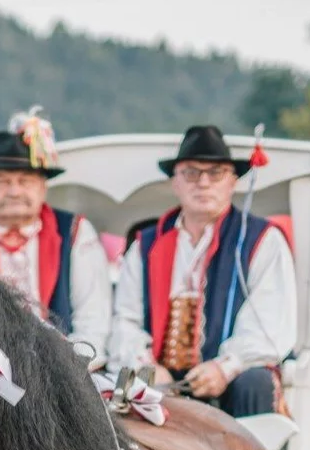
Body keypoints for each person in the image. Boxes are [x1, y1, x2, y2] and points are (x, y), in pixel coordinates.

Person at [109, 124, 297, 416]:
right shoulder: (147, 244)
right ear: (176, 182)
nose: (203, 183)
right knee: (119, 386)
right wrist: (146, 365)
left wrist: (225, 367)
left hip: (229, 376)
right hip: (162, 376)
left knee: (253, 381)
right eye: (192, 173)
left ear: (232, 181)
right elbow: (126, 319)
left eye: (215, 173)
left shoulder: (261, 239)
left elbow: (269, 324)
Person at [0, 108, 111, 354]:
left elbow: (93, 323)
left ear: (43, 187)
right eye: (2, 181)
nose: (14, 191)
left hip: (64, 372)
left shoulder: (76, 233)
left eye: (25, 181)